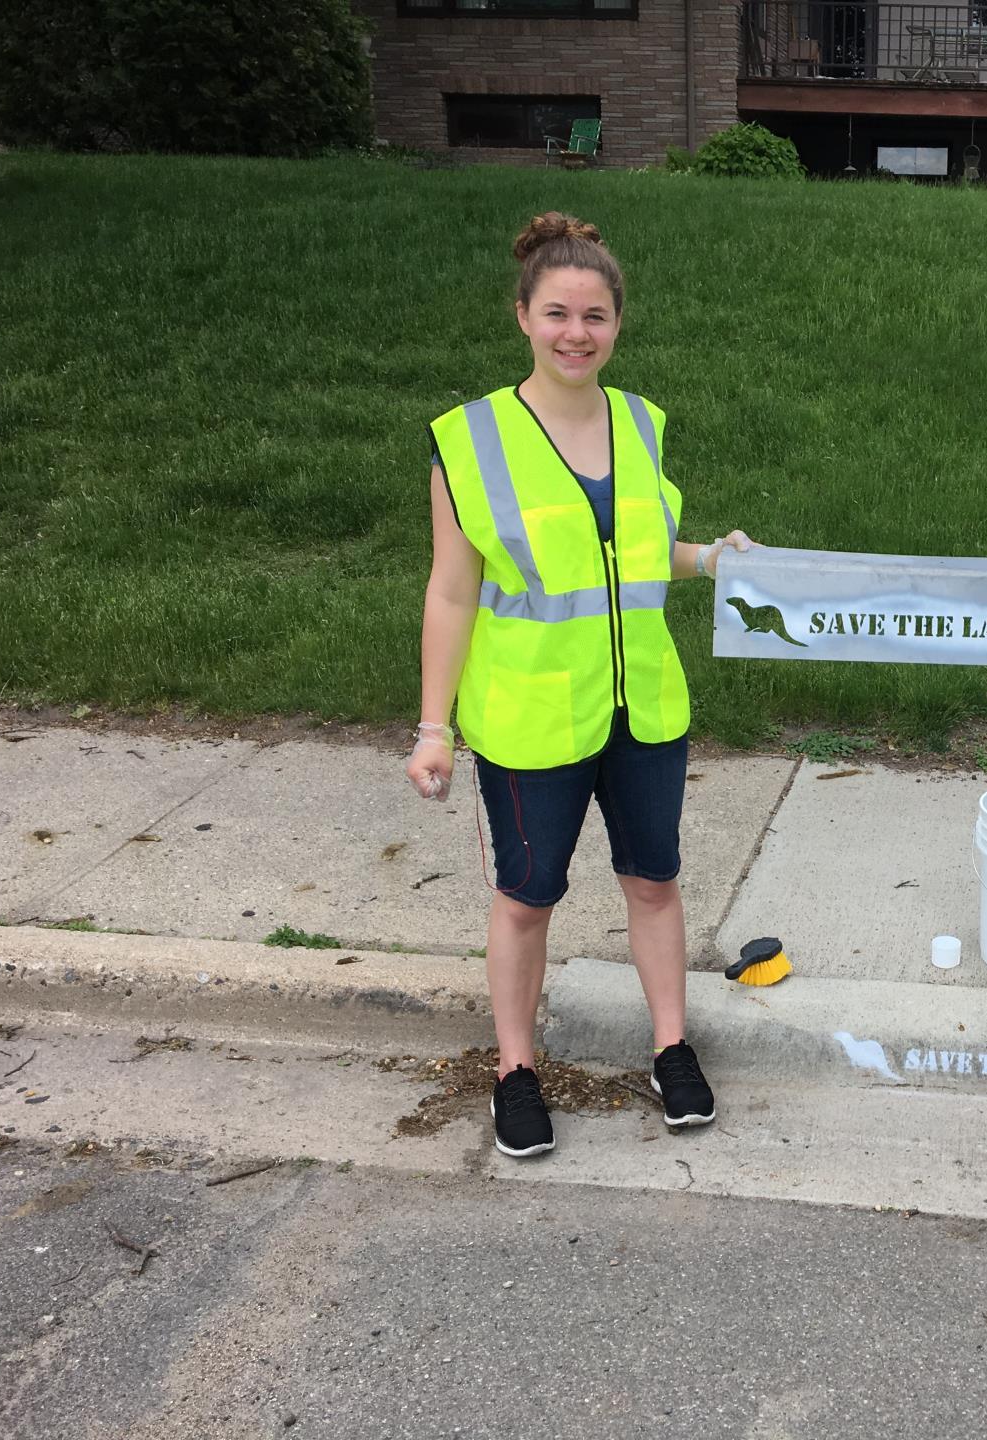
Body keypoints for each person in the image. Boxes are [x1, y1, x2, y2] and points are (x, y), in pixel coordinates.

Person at [406, 212, 754, 1159]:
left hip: (641, 707)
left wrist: (713, 560)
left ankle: (671, 1048)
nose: (576, 333)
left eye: (595, 316)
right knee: (527, 898)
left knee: (654, 882)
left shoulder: (641, 422)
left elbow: (633, 558)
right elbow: (451, 589)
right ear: (523, 315)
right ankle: (515, 1069)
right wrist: (433, 725)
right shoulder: (469, 440)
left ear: (616, 324)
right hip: (529, 717)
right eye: (557, 313)